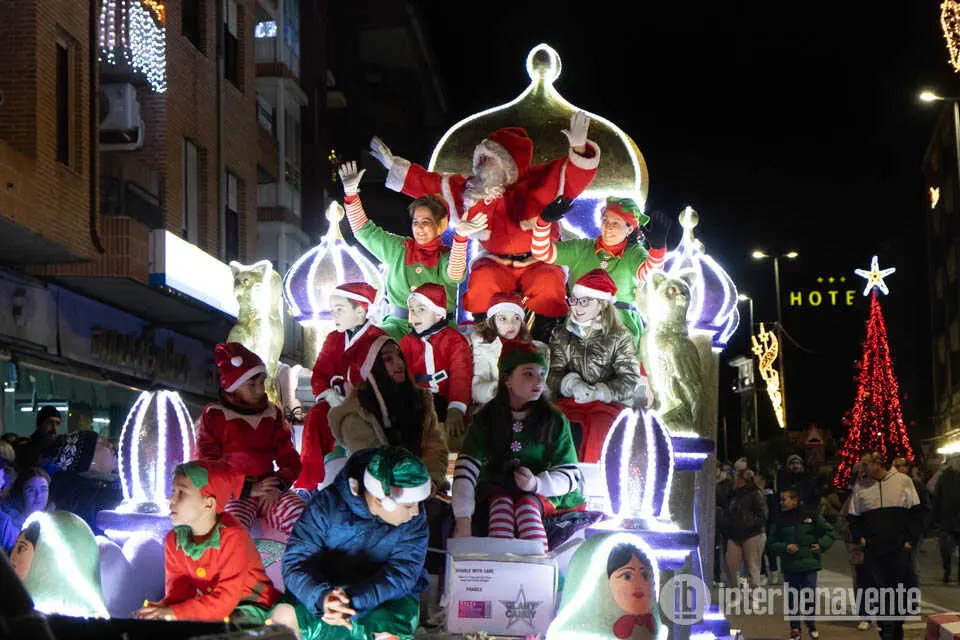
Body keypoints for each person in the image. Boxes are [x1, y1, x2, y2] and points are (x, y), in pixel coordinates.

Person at [370, 113, 601, 340]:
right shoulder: (472, 191)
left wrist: (580, 150)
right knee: (481, 281)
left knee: (548, 284)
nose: (481, 166)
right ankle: (484, 337)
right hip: (495, 260)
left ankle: (546, 337)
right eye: (480, 160)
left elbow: (571, 177)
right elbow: (430, 184)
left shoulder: (538, 182)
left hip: (537, 260)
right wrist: (395, 166)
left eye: (488, 160)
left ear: (508, 164)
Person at [273, 446, 432, 640]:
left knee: (390, 631)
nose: (416, 511)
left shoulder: (413, 521)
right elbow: (296, 562)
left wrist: (353, 600)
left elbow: (402, 573)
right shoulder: (326, 505)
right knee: (282, 617)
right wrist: (324, 599)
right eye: (409, 505)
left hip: (381, 598)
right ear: (381, 500)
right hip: (323, 594)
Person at [453, 341, 584, 552]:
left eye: (542, 373)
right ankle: (500, 566)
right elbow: (466, 468)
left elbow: (569, 473)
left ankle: (537, 566)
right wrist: (463, 518)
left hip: (544, 494)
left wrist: (536, 484)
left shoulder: (555, 420)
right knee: (501, 505)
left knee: (526, 508)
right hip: (496, 490)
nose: (539, 381)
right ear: (507, 379)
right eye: (528, 373)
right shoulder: (486, 418)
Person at [338, 161, 485, 340]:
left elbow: (454, 274)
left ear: (441, 226)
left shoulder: (445, 256)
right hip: (398, 328)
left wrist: (460, 238)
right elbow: (364, 232)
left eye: (426, 223)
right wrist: (351, 195)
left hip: (439, 331)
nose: (419, 228)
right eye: (416, 222)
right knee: (372, 344)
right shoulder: (398, 248)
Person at [135, 460, 282, 623]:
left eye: (181, 492)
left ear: (209, 504)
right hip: (215, 609)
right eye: (173, 491)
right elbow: (178, 594)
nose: (171, 499)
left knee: (225, 629)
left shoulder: (233, 537)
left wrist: (173, 612)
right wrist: (160, 609)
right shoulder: (174, 540)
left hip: (254, 607)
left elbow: (224, 600)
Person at [196, 342, 305, 540]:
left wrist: (277, 485)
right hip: (234, 493)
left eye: (261, 383)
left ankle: (302, 567)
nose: (259, 390)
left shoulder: (272, 413)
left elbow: (289, 458)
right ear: (234, 387)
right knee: (230, 531)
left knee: (304, 521)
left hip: (269, 489)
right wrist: (246, 489)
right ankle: (234, 570)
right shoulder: (215, 415)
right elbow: (206, 466)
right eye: (251, 384)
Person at [530, 196, 668, 352]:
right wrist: (543, 223)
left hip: (619, 326)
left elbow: (650, 274)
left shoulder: (634, 253)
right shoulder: (582, 248)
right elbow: (542, 252)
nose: (608, 227)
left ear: (629, 229)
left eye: (615, 223)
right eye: (605, 220)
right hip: (581, 323)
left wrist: (658, 248)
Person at [329, 335, 450, 493]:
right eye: (388, 359)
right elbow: (373, 465)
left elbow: (434, 447)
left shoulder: (420, 400)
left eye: (400, 356)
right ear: (371, 367)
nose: (399, 363)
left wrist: (429, 482)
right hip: (382, 496)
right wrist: (410, 492)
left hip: (425, 488)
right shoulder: (356, 413)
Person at [297, 282, 387, 490]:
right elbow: (319, 374)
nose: (334, 315)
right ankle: (310, 485)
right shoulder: (333, 339)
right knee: (317, 415)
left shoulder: (380, 340)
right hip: (334, 404)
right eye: (332, 310)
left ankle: (366, 483)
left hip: (367, 408)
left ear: (360, 310)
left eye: (340, 309)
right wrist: (329, 395)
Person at [548, 269, 641, 462]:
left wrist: (601, 392)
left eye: (585, 301)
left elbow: (629, 379)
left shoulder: (620, 337)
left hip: (607, 405)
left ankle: (596, 483)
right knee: (563, 427)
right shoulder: (562, 334)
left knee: (601, 429)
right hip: (570, 403)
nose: (577, 307)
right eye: (574, 300)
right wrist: (571, 384)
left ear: (603, 304)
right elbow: (552, 373)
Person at [848, 452, 922, 640]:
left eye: (865, 465)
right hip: (873, 550)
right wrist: (860, 539)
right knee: (878, 593)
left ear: (878, 463)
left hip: (899, 550)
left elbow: (916, 512)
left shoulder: (903, 481)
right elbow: (853, 517)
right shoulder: (860, 487)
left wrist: (910, 540)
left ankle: (897, 627)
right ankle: (886, 630)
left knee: (899, 591)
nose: (861, 469)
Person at [399, 283, 473, 447]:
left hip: (446, 401)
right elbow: (402, 374)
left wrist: (456, 407)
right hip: (416, 402)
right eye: (412, 310)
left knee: (452, 435)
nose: (415, 315)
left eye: (421, 309)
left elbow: (461, 374)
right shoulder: (407, 343)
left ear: (438, 315)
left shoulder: (453, 340)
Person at [767, 487, 836, 640]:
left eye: (784, 499)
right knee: (793, 599)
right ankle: (795, 629)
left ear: (795, 500)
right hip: (790, 565)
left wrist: (821, 545)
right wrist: (785, 547)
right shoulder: (779, 520)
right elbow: (770, 543)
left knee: (809, 596)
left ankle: (811, 624)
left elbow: (830, 532)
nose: (781, 503)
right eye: (780, 500)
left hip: (809, 564)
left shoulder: (810, 515)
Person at [469, 291, 548, 406]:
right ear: (492, 321)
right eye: (503, 319)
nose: (510, 324)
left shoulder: (535, 349)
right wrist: (495, 390)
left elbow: (541, 386)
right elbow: (478, 387)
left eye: (516, 318)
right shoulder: (484, 346)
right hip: (494, 407)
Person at [838, 461, 874, 631]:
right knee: (860, 580)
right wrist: (852, 538)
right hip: (857, 546)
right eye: (860, 474)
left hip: (879, 543)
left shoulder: (880, 492)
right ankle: (865, 614)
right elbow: (843, 520)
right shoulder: (853, 497)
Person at [723, 468, 768, 588]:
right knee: (730, 566)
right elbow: (727, 510)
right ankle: (736, 594)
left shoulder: (755, 493)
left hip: (752, 534)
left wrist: (748, 524)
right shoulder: (733, 494)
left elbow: (762, 516)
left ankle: (753, 599)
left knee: (752, 568)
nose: (734, 480)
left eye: (736, 477)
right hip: (734, 534)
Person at [893, 456, 932, 577]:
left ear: (906, 468)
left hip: (913, 530)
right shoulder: (890, 486)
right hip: (896, 531)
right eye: (895, 467)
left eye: (900, 467)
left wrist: (921, 527)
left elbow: (925, 507)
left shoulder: (916, 486)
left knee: (912, 563)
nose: (897, 470)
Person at [933, 455, 960, 583]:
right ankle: (947, 570)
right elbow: (937, 498)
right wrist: (935, 518)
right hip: (947, 519)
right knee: (945, 549)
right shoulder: (944, 477)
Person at [2, 466, 51, 535]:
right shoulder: (6, 524)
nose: (38, 495)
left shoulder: (49, 523)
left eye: (43, 489)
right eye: (31, 490)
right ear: (21, 493)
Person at [15, 405, 62, 473]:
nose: (54, 429)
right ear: (39, 424)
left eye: (57, 423)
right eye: (49, 423)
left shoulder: (60, 450)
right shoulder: (24, 450)